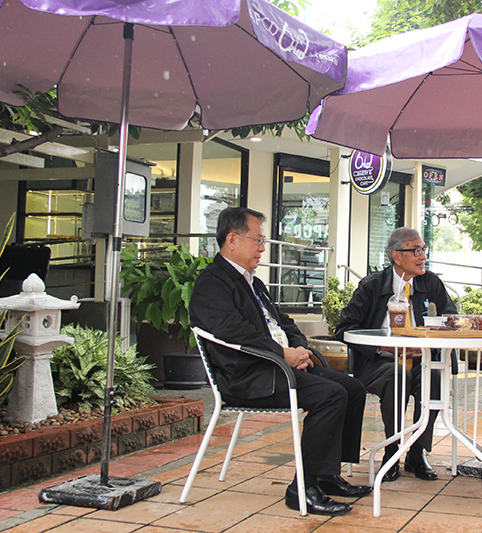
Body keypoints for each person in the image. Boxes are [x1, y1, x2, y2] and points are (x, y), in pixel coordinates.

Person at [189, 207, 371, 516]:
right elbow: (233, 332)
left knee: (352, 388)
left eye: (263, 241)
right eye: (257, 240)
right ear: (232, 240)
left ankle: (326, 476)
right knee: (330, 396)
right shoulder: (213, 283)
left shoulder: (253, 282)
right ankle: (303, 489)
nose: (262, 248)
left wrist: (299, 350)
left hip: (278, 366)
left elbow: (284, 322)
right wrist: (281, 354)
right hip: (249, 376)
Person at [336, 227, 457, 482]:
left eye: (424, 250)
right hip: (379, 360)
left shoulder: (431, 283)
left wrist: (428, 343)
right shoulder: (371, 286)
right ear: (397, 256)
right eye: (416, 250)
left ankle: (416, 452)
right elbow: (345, 328)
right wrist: (384, 347)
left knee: (434, 378)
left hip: (422, 358)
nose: (423, 256)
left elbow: (451, 320)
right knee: (397, 376)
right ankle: (392, 450)